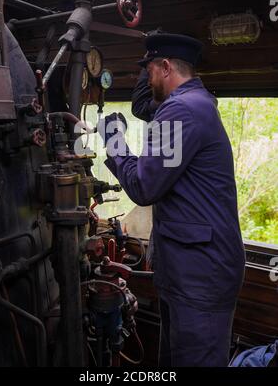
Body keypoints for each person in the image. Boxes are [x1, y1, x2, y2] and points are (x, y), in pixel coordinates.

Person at [97, 32, 245, 367]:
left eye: (148, 71)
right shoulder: (197, 103)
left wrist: (113, 139)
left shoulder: (181, 110)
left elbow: (144, 187)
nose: (147, 81)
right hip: (194, 271)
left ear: (165, 67)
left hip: (199, 276)